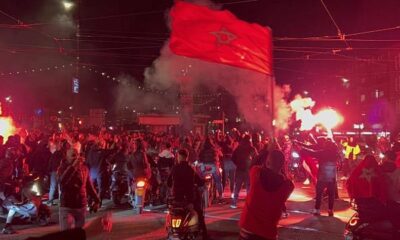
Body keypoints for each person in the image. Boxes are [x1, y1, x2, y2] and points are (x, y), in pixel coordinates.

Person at [238, 150, 294, 240]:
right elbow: (286, 178)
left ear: (267, 162)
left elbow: (255, 162)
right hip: (267, 233)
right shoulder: (288, 186)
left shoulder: (255, 173)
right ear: (282, 165)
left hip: (248, 228)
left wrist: (266, 150)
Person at [167, 149, 207, 239]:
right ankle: (204, 235)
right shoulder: (190, 169)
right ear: (186, 157)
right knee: (199, 213)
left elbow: (168, 183)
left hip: (176, 198)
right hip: (189, 199)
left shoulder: (174, 168)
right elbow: (200, 182)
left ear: (179, 157)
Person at [58, 148, 100, 230]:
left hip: (80, 205)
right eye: (73, 155)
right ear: (67, 158)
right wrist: (73, 167)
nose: (76, 157)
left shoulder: (84, 168)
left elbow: (89, 185)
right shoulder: (62, 168)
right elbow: (62, 181)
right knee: (66, 234)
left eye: (77, 155)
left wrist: (97, 200)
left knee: (79, 233)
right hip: (67, 206)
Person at [300, 138, 339, 216]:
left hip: (322, 177)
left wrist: (302, 148)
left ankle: (317, 210)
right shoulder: (335, 154)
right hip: (332, 177)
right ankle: (330, 210)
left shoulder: (322, 152)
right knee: (331, 194)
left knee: (319, 194)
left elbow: (312, 153)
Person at [231, 134, 258, 208]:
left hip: (239, 169)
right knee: (248, 187)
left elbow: (233, 158)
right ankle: (249, 204)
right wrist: (252, 165)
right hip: (248, 170)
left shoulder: (238, 148)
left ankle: (234, 203)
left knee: (237, 187)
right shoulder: (252, 148)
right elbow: (256, 158)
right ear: (250, 140)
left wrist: (237, 164)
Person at [198, 137, 223, 202]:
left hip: (204, 167)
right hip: (213, 166)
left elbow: (199, 159)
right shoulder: (214, 150)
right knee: (218, 181)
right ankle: (220, 196)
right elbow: (217, 158)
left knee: (201, 180)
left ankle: (201, 193)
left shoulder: (202, 150)